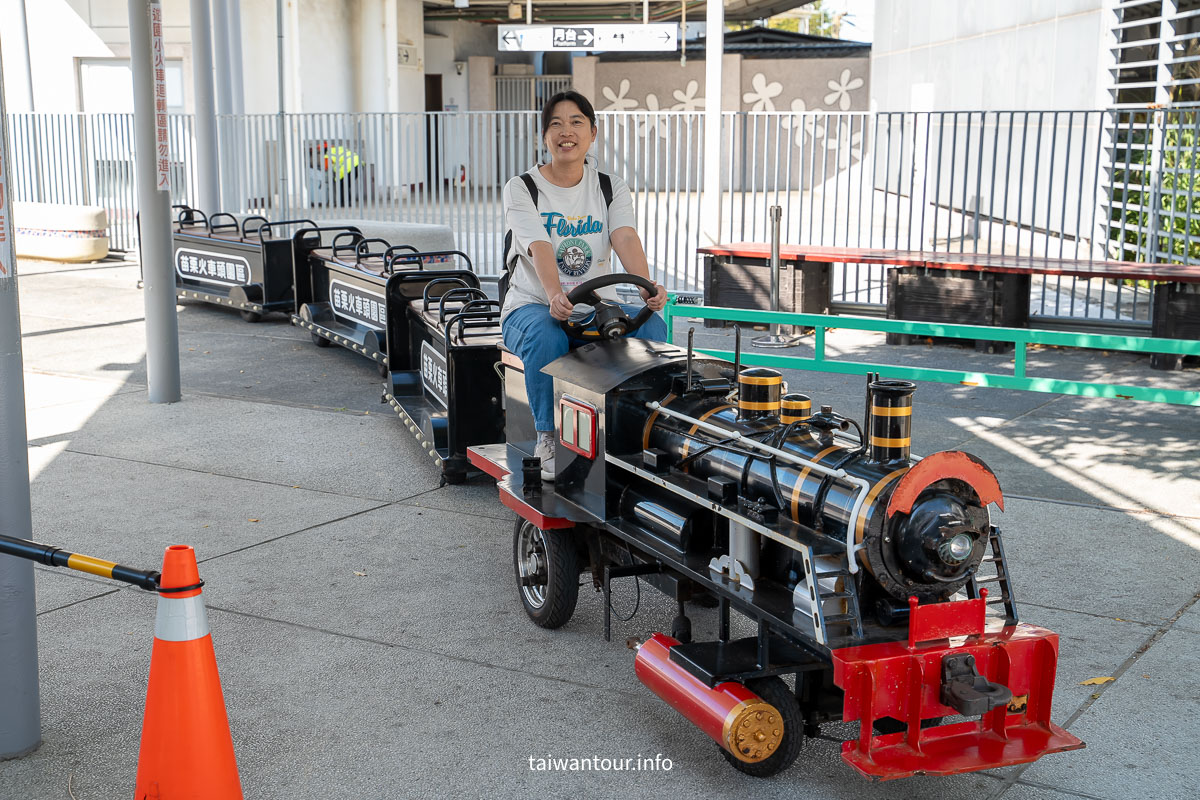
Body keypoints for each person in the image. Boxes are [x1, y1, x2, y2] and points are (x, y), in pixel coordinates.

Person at [501, 91, 669, 480]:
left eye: (576, 122)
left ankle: (647, 430)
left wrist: (646, 286)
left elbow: (625, 236)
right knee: (547, 333)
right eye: (556, 124)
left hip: (596, 308)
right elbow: (539, 245)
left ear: (593, 133)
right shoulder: (522, 187)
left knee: (654, 328)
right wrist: (554, 294)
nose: (566, 132)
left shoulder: (610, 186)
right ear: (544, 136)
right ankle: (547, 436)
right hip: (533, 305)